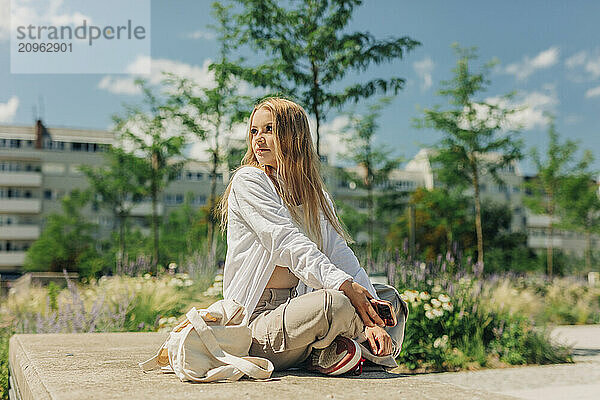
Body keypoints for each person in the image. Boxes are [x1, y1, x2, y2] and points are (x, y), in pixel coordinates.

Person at [217, 97, 408, 376]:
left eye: (269, 129)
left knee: (389, 299)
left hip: (300, 309)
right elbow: (288, 243)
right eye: (254, 131)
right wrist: (353, 297)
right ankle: (343, 349)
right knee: (337, 302)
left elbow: (342, 255)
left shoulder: (314, 197)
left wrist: (373, 314)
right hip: (258, 325)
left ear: (293, 136)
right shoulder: (249, 181)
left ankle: (335, 350)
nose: (258, 139)